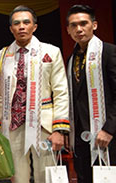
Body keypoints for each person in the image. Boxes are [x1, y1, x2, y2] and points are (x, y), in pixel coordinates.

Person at [0, 5, 70, 183]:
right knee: (18, 177)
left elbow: (61, 91)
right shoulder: (0, 56)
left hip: (44, 125)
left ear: (35, 26)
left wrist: (60, 129)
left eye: (26, 22)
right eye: (17, 23)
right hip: (12, 126)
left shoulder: (51, 51)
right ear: (11, 29)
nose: (22, 27)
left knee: (45, 176)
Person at [64, 4, 116, 182]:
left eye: (83, 23)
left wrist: (109, 129)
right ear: (68, 30)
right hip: (81, 135)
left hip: (107, 134)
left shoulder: (109, 52)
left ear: (94, 25)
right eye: (73, 25)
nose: (79, 29)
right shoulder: (71, 58)